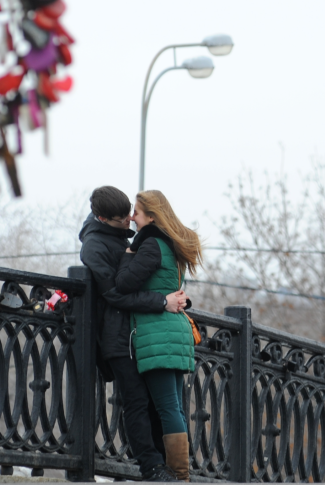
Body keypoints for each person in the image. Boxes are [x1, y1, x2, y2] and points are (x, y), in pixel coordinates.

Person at [80, 186, 187, 482]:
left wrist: (173, 298)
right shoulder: (94, 247)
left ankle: (168, 468)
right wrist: (162, 302)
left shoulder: (125, 237)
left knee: (157, 402)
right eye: (122, 218)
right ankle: (152, 468)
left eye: (130, 213)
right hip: (118, 336)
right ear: (103, 218)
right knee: (137, 402)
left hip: (141, 332)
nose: (128, 219)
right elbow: (115, 293)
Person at [115, 190, 202, 483]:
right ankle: (179, 472)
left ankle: (179, 475)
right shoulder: (172, 244)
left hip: (157, 333)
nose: (132, 218)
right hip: (174, 331)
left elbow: (124, 283)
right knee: (174, 407)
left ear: (151, 216)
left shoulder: (150, 245)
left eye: (137, 213)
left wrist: (128, 255)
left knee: (167, 407)